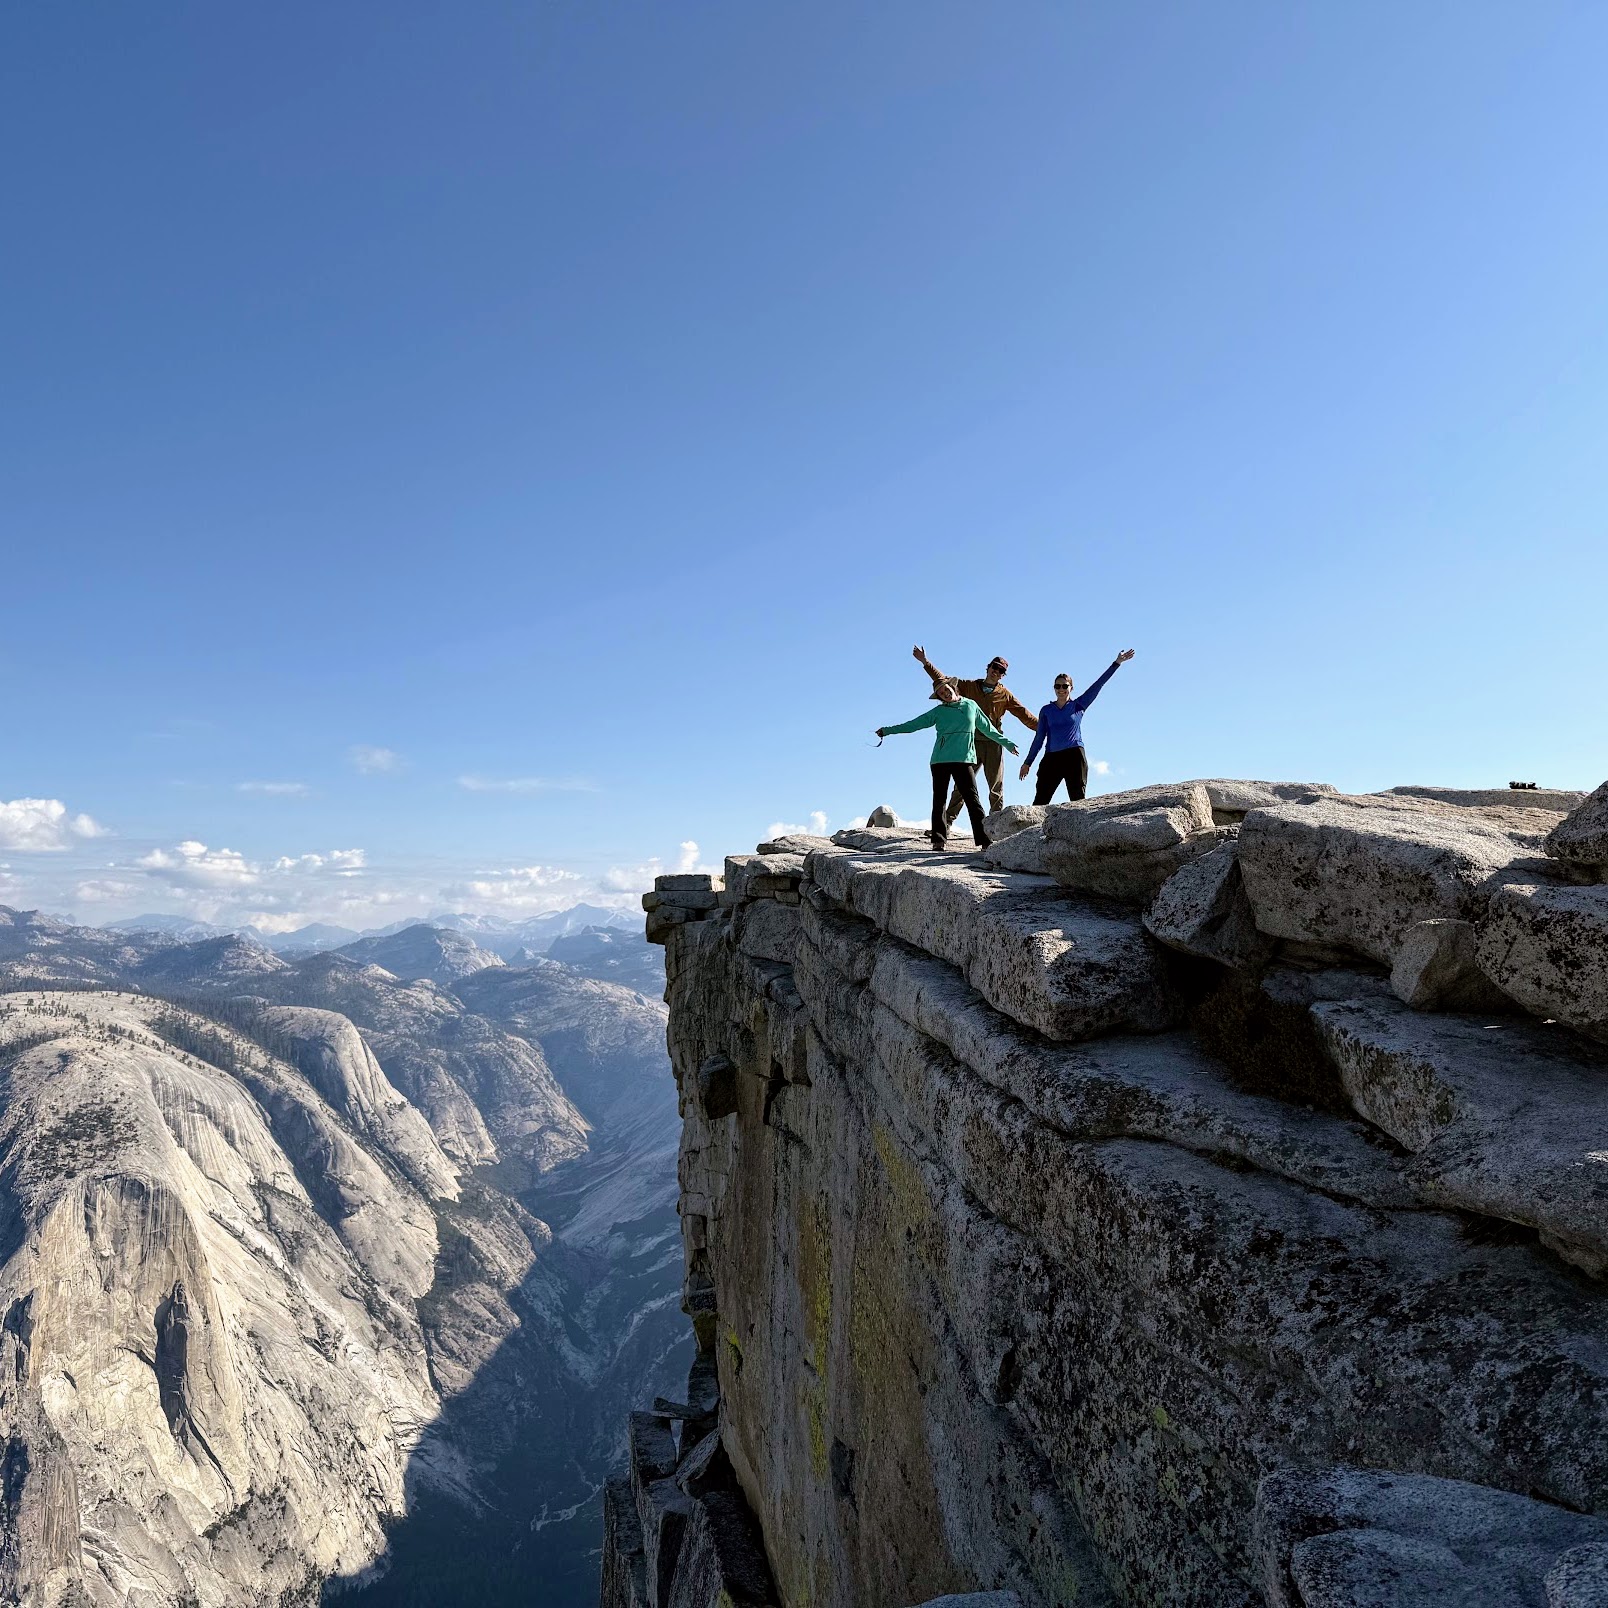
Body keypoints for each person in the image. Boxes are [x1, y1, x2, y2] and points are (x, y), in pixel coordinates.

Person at [877, 679, 1020, 850]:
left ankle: (984, 840)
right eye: (940, 693)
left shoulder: (971, 705)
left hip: (964, 760)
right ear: (939, 697)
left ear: (952, 688)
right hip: (940, 760)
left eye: (945, 689)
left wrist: (1007, 743)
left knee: (972, 800)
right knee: (939, 800)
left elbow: (988, 729)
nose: (944, 693)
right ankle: (938, 840)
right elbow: (913, 725)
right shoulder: (938, 712)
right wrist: (887, 730)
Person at [911, 646, 1038, 823]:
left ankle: (995, 826)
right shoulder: (970, 686)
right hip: (970, 744)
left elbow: (1025, 715)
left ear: (1003, 675)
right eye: (995, 667)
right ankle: (945, 824)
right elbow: (942, 681)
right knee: (962, 787)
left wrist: (1046, 728)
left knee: (995, 787)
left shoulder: (1005, 695)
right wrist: (925, 662)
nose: (996, 671)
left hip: (993, 743)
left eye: (1001, 671)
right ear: (988, 667)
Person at [1018, 650, 1136, 804]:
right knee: (1040, 801)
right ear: (1054, 688)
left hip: (1074, 756)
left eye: (1064, 686)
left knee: (1078, 801)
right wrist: (1028, 762)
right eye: (1057, 686)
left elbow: (1098, 684)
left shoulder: (1079, 705)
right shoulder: (1046, 710)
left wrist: (1117, 663)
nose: (1061, 689)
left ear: (1071, 687)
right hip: (1052, 757)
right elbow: (1039, 738)